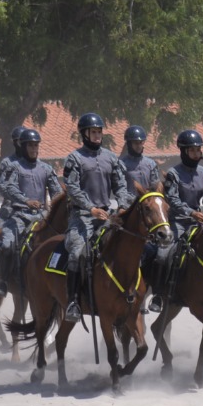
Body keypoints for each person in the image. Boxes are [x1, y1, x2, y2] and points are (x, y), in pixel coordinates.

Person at [60, 113, 133, 322]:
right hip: (81, 216)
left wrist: (122, 205)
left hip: (106, 215)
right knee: (77, 252)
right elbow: (72, 188)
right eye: (93, 132)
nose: (98, 135)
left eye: (100, 131)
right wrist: (90, 208)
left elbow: (120, 186)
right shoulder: (74, 158)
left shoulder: (111, 158)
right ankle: (73, 301)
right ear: (84, 134)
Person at [150, 129, 203, 310]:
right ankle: (158, 295)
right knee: (162, 255)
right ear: (184, 151)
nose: (196, 153)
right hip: (177, 221)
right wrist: (191, 212)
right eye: (192, 150)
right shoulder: (173, 174)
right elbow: (172, 199)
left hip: (199, 221)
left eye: (198, 150)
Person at [0, 127, 63, 276]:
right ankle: (3, 281)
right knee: (7, 245)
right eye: (30, 145)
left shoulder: (46, 168)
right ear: (24, 147)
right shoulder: (14, 167)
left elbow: (56, 192)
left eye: (35, 145)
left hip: (42, 216)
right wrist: (26, 201)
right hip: (19, 216)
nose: (33, 149)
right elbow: (9, 188)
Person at [119, 125, 160, 197]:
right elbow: (120, 189)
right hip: (129, 204)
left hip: (147, 203)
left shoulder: (151, 164)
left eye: (141, 142)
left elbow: (155, 186)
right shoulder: (121, 164)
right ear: (129, 144)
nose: (139, 146)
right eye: (136, 143)